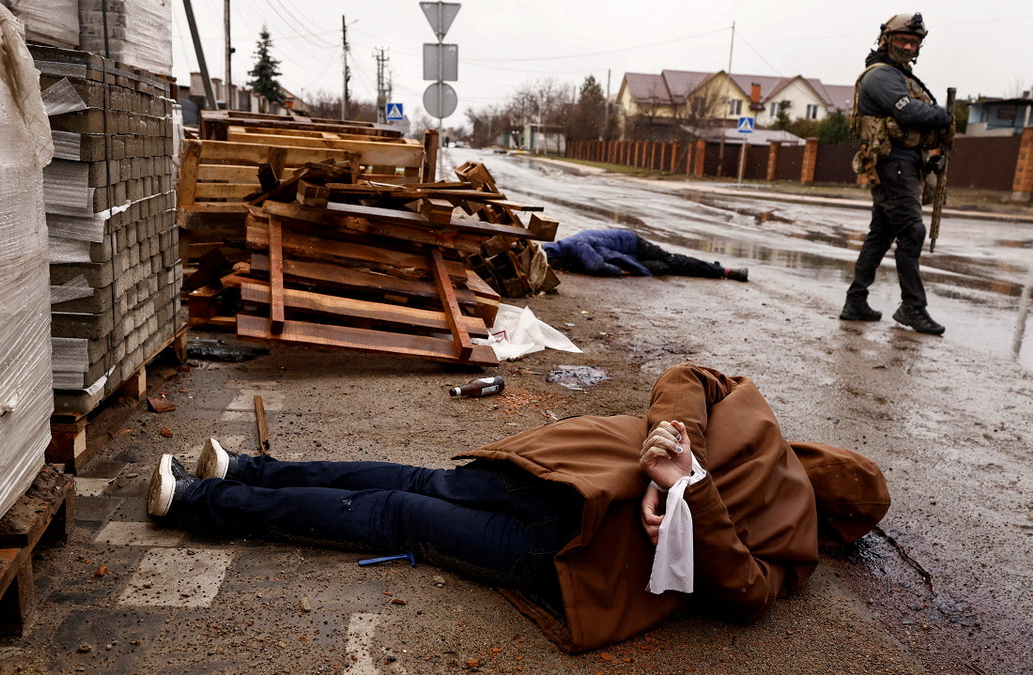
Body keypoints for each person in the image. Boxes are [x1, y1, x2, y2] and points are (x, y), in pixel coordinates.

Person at [146, 364, 889, 653]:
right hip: (570, 545)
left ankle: (239, 469)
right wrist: (680, 476)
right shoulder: (794, 529)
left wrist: (684, 468)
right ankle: (201, 497)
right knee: (400, 511)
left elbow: (687, 376)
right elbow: (747, 594)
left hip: (562, 487)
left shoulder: (757, 417)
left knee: (412, 484)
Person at [841, 13, 955, 335]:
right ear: (886, 40)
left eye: (913, 42)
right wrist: (944, 116)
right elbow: (908, 111)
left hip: (904, 162)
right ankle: (912, 307)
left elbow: (913, 124)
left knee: (881, 234)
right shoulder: (880, 76)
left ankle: (855, 301)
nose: (907, 46)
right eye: (902, 40)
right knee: (912, 231)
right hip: (892, 164)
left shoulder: (901, 76)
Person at [541, 228, 749, 282]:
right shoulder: (568, 250)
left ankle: (724, 271)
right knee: (664, 268)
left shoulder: (574, 245)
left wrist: (620, 272)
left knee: (673, 260)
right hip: (626, 254)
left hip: (633, 244)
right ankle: (707, 269)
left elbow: (597, 266)